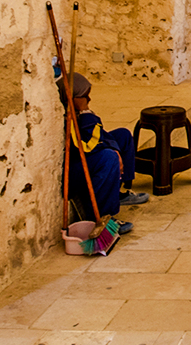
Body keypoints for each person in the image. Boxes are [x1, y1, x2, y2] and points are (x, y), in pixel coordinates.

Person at [57, 74, 148, 231]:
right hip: (74, 169)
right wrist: (85, 112)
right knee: (109, 157)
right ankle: (103, 216)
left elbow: (101, 135)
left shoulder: (78, 112)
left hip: (86, 156)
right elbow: (88, 145)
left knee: (123, 136)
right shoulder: (68, 116)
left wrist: (114, 147)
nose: (89, 100)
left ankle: (116, 192)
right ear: (72, 98)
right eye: (85, 96)